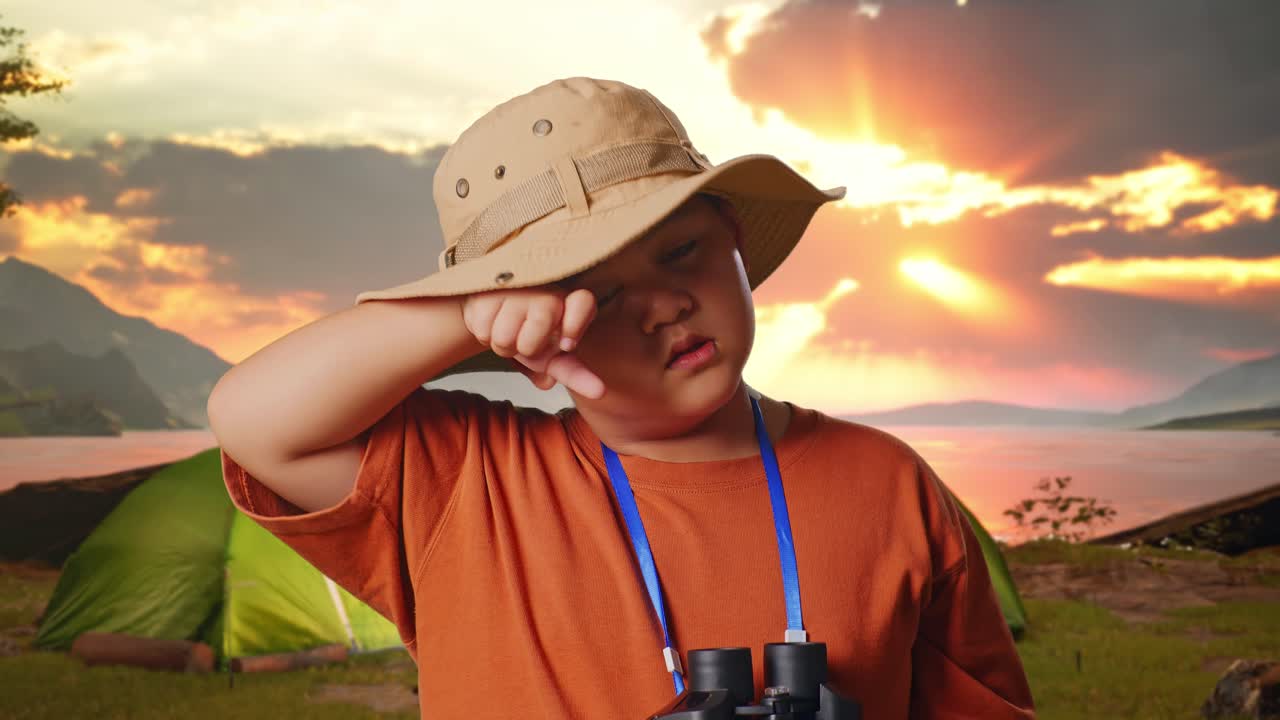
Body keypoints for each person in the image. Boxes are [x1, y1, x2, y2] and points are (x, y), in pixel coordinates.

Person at [208, 77, 1035, 719]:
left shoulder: (886, 481)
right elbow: (253, 422)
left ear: (738, 245)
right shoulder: (463, 482)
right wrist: (465, 315)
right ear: (533, 344)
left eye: (682, 253)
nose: (664, 305)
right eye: (594, 296)